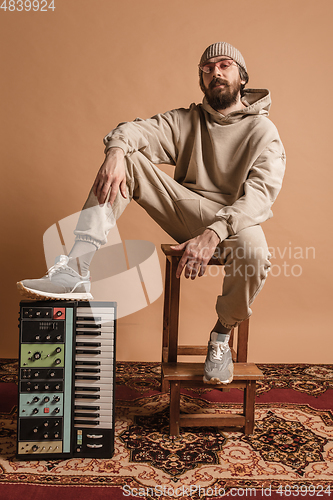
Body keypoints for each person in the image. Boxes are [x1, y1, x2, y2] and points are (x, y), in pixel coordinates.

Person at [17, 42, 286, 385]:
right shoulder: (187, 121)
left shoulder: (264, 132)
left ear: (242, 76)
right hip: (185, 209)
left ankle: (221, 336)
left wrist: (214, 232)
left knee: (256, 253)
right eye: (207, 68)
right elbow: (135, 130)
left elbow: (260, 197)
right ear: (201, 80)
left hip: (233, 224)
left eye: (224, 65)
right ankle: (75, 269)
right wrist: (115, 151)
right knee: (127, 158)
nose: (215, 72)